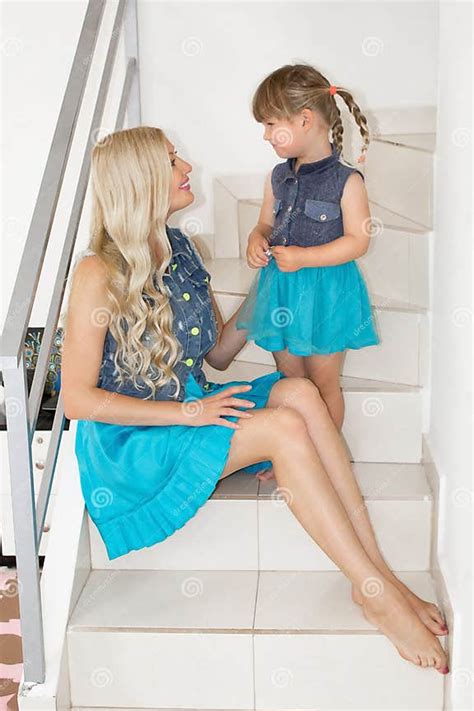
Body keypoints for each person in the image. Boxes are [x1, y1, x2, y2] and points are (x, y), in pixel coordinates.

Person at [61, 126, 449, 674]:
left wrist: (267, 283)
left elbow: (217, 355)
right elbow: (77, 400)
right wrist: (189, 413)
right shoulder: (96, 272)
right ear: (142, 181)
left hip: (192, 407)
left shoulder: (180, 248)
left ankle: (378, 580)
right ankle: (376, 595)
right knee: (283, 428)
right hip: (135, 444)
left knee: (299, 392)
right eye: (172, 160)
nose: (186, 167)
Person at [236, 64, 379, 482]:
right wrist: (255, 239)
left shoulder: (347, 182)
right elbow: (265, 222)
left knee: (322, 384)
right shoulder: (278, 177)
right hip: (281, 292)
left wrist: (305, 258)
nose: (265, 135)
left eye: (269, 124)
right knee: (289, 381)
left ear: (304, 120)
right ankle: (290, 453)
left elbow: (358, 240)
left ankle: (323, 456)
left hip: (326, 295)